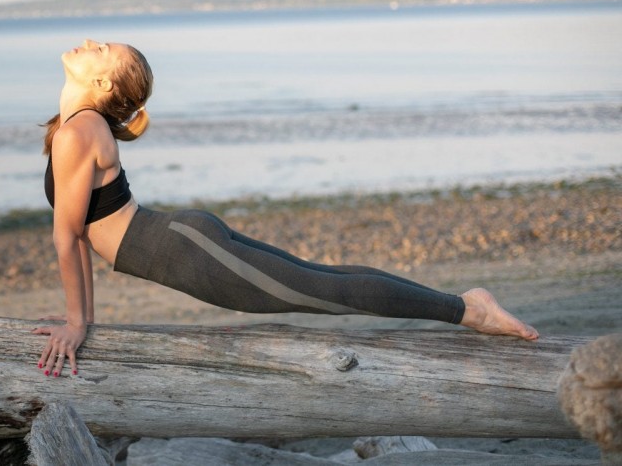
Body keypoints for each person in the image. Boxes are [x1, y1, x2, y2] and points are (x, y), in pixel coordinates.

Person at [31, 39, 539, 378]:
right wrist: (82, 319)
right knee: (321, 280)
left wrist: (77, 324)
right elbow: (74, 235)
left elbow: (67, 236)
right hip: (179, 240)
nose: (89, 44)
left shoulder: (79, 132)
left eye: (102, 49)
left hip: (184, 252)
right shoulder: (77, 127)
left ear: (104, 86)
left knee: (323, 289)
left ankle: (467, 309)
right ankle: (465, 304)